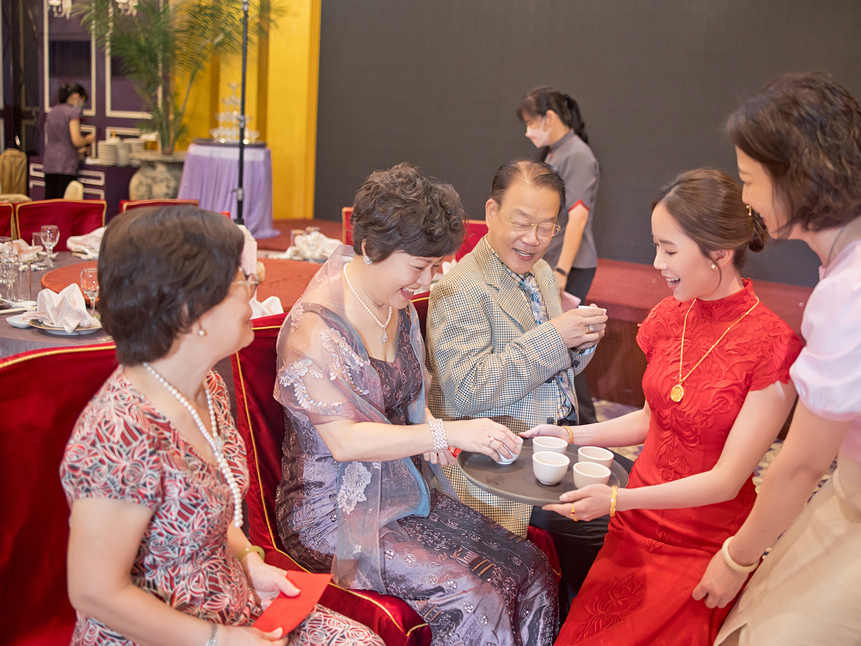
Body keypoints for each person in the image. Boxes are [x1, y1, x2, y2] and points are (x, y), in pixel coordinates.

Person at [692, 72, 861, 645]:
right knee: (758, 616)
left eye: (749, 180)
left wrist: (736, 558)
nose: (744, 199)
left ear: (799, 179)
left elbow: (800, 464)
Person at [59, 206, 381, 645]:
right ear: (191, 309)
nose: (255, 289)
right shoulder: (122, 429)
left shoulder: (206, 386)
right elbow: (94, 592)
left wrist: (250, 561)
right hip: (160, 630)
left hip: (229, 598)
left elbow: (209, 510)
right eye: (242, 281)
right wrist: (217, 640)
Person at [274, 163, 558, 646]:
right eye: (420, 266)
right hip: (333, 513)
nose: (427, 281)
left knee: (529, 567)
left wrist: (437, 437)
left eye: (435, 265)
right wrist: (445, 433)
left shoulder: (396, 305)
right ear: (370, 249)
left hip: (403, 489)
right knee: (475, 596)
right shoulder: (315, 328)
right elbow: (344, 442)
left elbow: (412, 402)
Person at [521, 169, 802, 645]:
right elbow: (654, 420)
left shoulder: (772, 345)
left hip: (702, 541)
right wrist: (568, 435)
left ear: (719, 251)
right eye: (656, 246)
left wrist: (615, 499)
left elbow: (726, 480)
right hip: (634, 524)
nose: (656, 262)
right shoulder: (671, 317)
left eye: (669, 250)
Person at [426, 159, 610, 622]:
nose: (532, 239)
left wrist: (580, 343)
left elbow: (554, 366)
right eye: (521, 222)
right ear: (491, 213)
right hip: (498, 462)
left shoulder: (543, 274)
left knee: (618, 509)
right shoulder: (462, 289)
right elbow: (467, 389)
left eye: (546, 227)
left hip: (553, 443)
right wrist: (557, 337)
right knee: (599, 531)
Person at [517, 86, 600, 425]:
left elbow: (578, 216)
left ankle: (586, 426)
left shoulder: (578, 155)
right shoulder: (555, 153)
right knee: (559, 344)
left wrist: (562, 270)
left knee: (568, 345)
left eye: (530, 122)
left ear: (549, 119)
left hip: (571, 265)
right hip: (553, 263)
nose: (527, 131)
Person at [44, 83, 95, 199]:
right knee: (65, 202)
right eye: (83, 100)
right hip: (66, 164)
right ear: (76, 96)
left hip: (50, 162)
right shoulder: (73, 113)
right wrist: (89, 139)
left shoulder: (52, 111)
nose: (82, 105)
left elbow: (59, 138)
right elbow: (76, 140)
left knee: (50, 201)